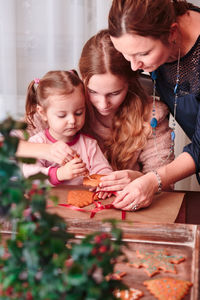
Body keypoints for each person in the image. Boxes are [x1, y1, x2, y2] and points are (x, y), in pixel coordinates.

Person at [104, 0, 200, 210]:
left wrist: (153, 180)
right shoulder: (150, 33)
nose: (133, 66)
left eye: (142, 55)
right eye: (125, 53)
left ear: (172, 32)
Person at [79, 29, 174, 207]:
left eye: (114, 93)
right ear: (83, 79)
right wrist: (48, 150)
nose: (103, 103)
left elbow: (166, 181)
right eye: (92, 92)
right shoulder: (67, 106)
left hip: (127, 213)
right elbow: (16, 146)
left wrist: (141, 179)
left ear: (129, 83)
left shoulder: (152, 116)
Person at [22, 70, 112, 186]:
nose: (72, 120)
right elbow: (31, 175)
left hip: (84, 202)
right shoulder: (37, 143)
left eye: (79, 113)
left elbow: (103, 170)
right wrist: (59, 174)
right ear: (43, 113)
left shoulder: (89, 144)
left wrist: (103, 183)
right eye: (62, 115)